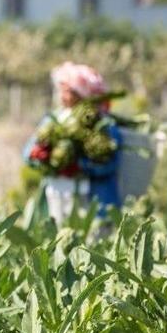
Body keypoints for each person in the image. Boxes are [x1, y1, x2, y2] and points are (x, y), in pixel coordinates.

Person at [24, 61, 122, 224]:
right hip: (55, 192)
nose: (62, 95)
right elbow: (28, 152)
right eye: (61, 90)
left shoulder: (104, 124)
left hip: (90, 199)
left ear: (82, 93)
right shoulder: (52, 119)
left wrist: (80, 166)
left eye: (68, 91)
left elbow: (111, 164)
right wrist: (39, 156)